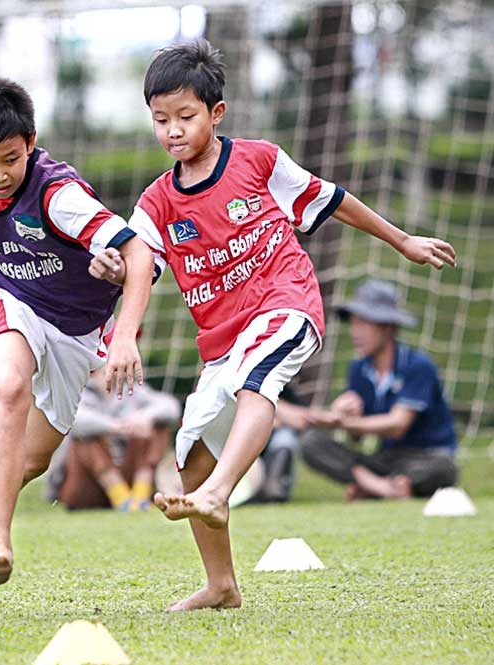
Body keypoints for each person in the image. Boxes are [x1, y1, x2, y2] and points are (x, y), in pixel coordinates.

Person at [90, 39, 456, 611]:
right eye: (161, 120)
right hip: (221, 341)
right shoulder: (157, 202)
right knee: (190, 450)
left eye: (186, 116)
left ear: (216, 113)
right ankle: (221, 585)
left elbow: (333, 199)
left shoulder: (259, 161)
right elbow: (139, 268)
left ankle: (219, 493)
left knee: (254, 380)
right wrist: (119, 301)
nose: (173, 131)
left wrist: (402, 239)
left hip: (288, 306)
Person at [0, 78, 155, 596]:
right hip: (6, 295)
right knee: (7, 387)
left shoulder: (59, 197)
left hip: (76, 328)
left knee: (31, 460)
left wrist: (124, 335)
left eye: (10, 159)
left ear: (31, 142)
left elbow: (138, 253)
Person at [300, 279, 459, 500]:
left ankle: (372, 486)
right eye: (353, 323)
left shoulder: (417, 365)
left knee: (444, 468)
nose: (355, 332)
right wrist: (345, 413)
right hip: (387, 459)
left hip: (426, 458)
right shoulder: (358, 369)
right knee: (311, 442)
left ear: (388, 327)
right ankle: (383, 487)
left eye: (364, 323)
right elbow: (356, 436)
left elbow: (397, 425)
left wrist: (342, 423)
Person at [44, 367, 182, 512]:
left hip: (129, 479)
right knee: (85, 436)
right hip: (85, 487)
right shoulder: (79, 392)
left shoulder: (134, 392)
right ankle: (121, 498)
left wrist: (144, 417)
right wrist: (116, 427)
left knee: (157, 427)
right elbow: (74, 421)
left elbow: (171, 407)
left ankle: (140, 497)